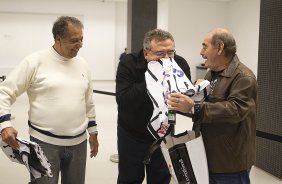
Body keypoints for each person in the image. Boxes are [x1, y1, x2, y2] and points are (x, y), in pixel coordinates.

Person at [0, 16, 99, 184]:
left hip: (78, 144)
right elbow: (5, 92)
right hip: (44, 144)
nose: (80, 45)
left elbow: (88, 100)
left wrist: (93, 131)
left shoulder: (82, 64)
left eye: (82, 39)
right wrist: (5, 124)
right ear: (58, 39)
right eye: (74, 40)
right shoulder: (34, 62)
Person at [167, 28, 258, 184]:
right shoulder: (211, 73)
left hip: (228, 163)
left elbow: (235, 110)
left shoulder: (244, 77)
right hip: (207, 155)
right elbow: (205, 108)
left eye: (205, 46)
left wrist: (193, 107)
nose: (201, 52)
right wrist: (186, 101)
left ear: (220, 48)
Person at [115, 28, 191, 184]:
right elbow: (124, 102)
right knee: (129, 178)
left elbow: (185, 97)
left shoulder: (180, 63)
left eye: (170, 52)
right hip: (131, 133)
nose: (166, 58)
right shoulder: (128, 63)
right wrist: (152, 78)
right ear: (146, 53)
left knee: (161, 177)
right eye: (160, 54)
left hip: (164, 132)